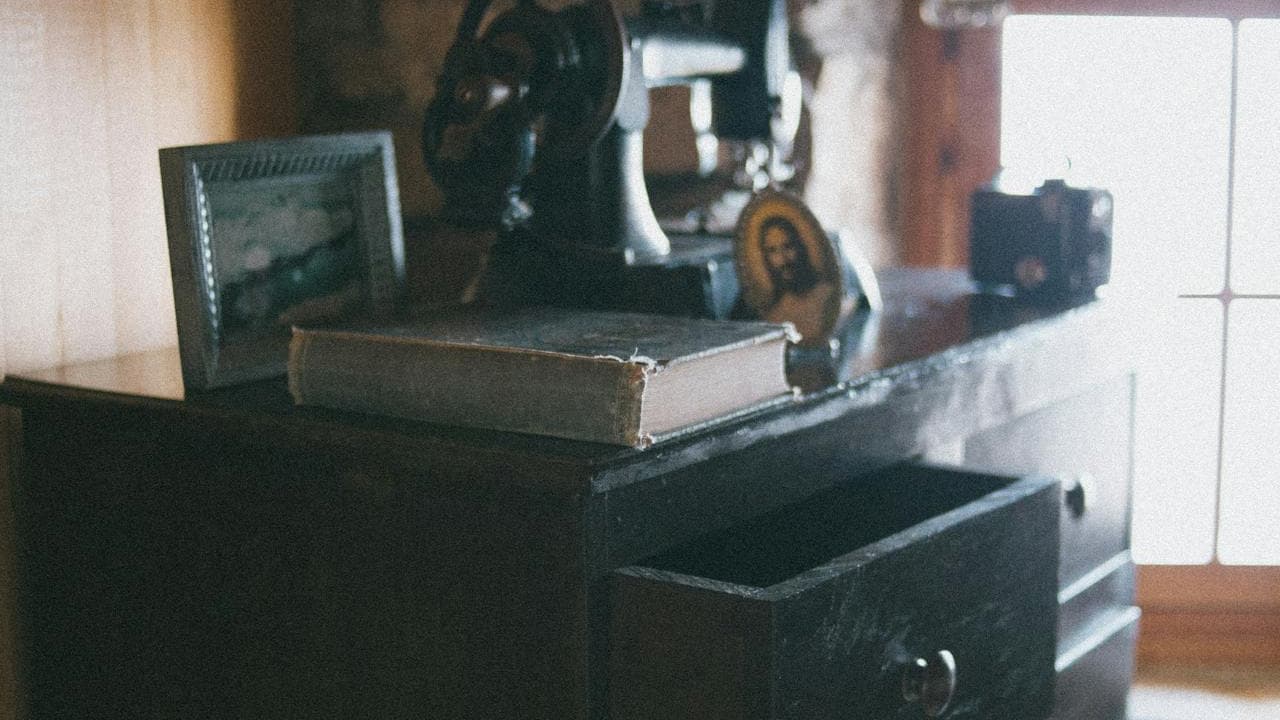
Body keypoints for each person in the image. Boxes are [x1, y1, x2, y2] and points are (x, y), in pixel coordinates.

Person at [757, 217, 837, 346]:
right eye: (773, 250)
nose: (783, 259)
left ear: (800, 247)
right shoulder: (772, 311)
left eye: (788, 246)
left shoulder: (827, 296)